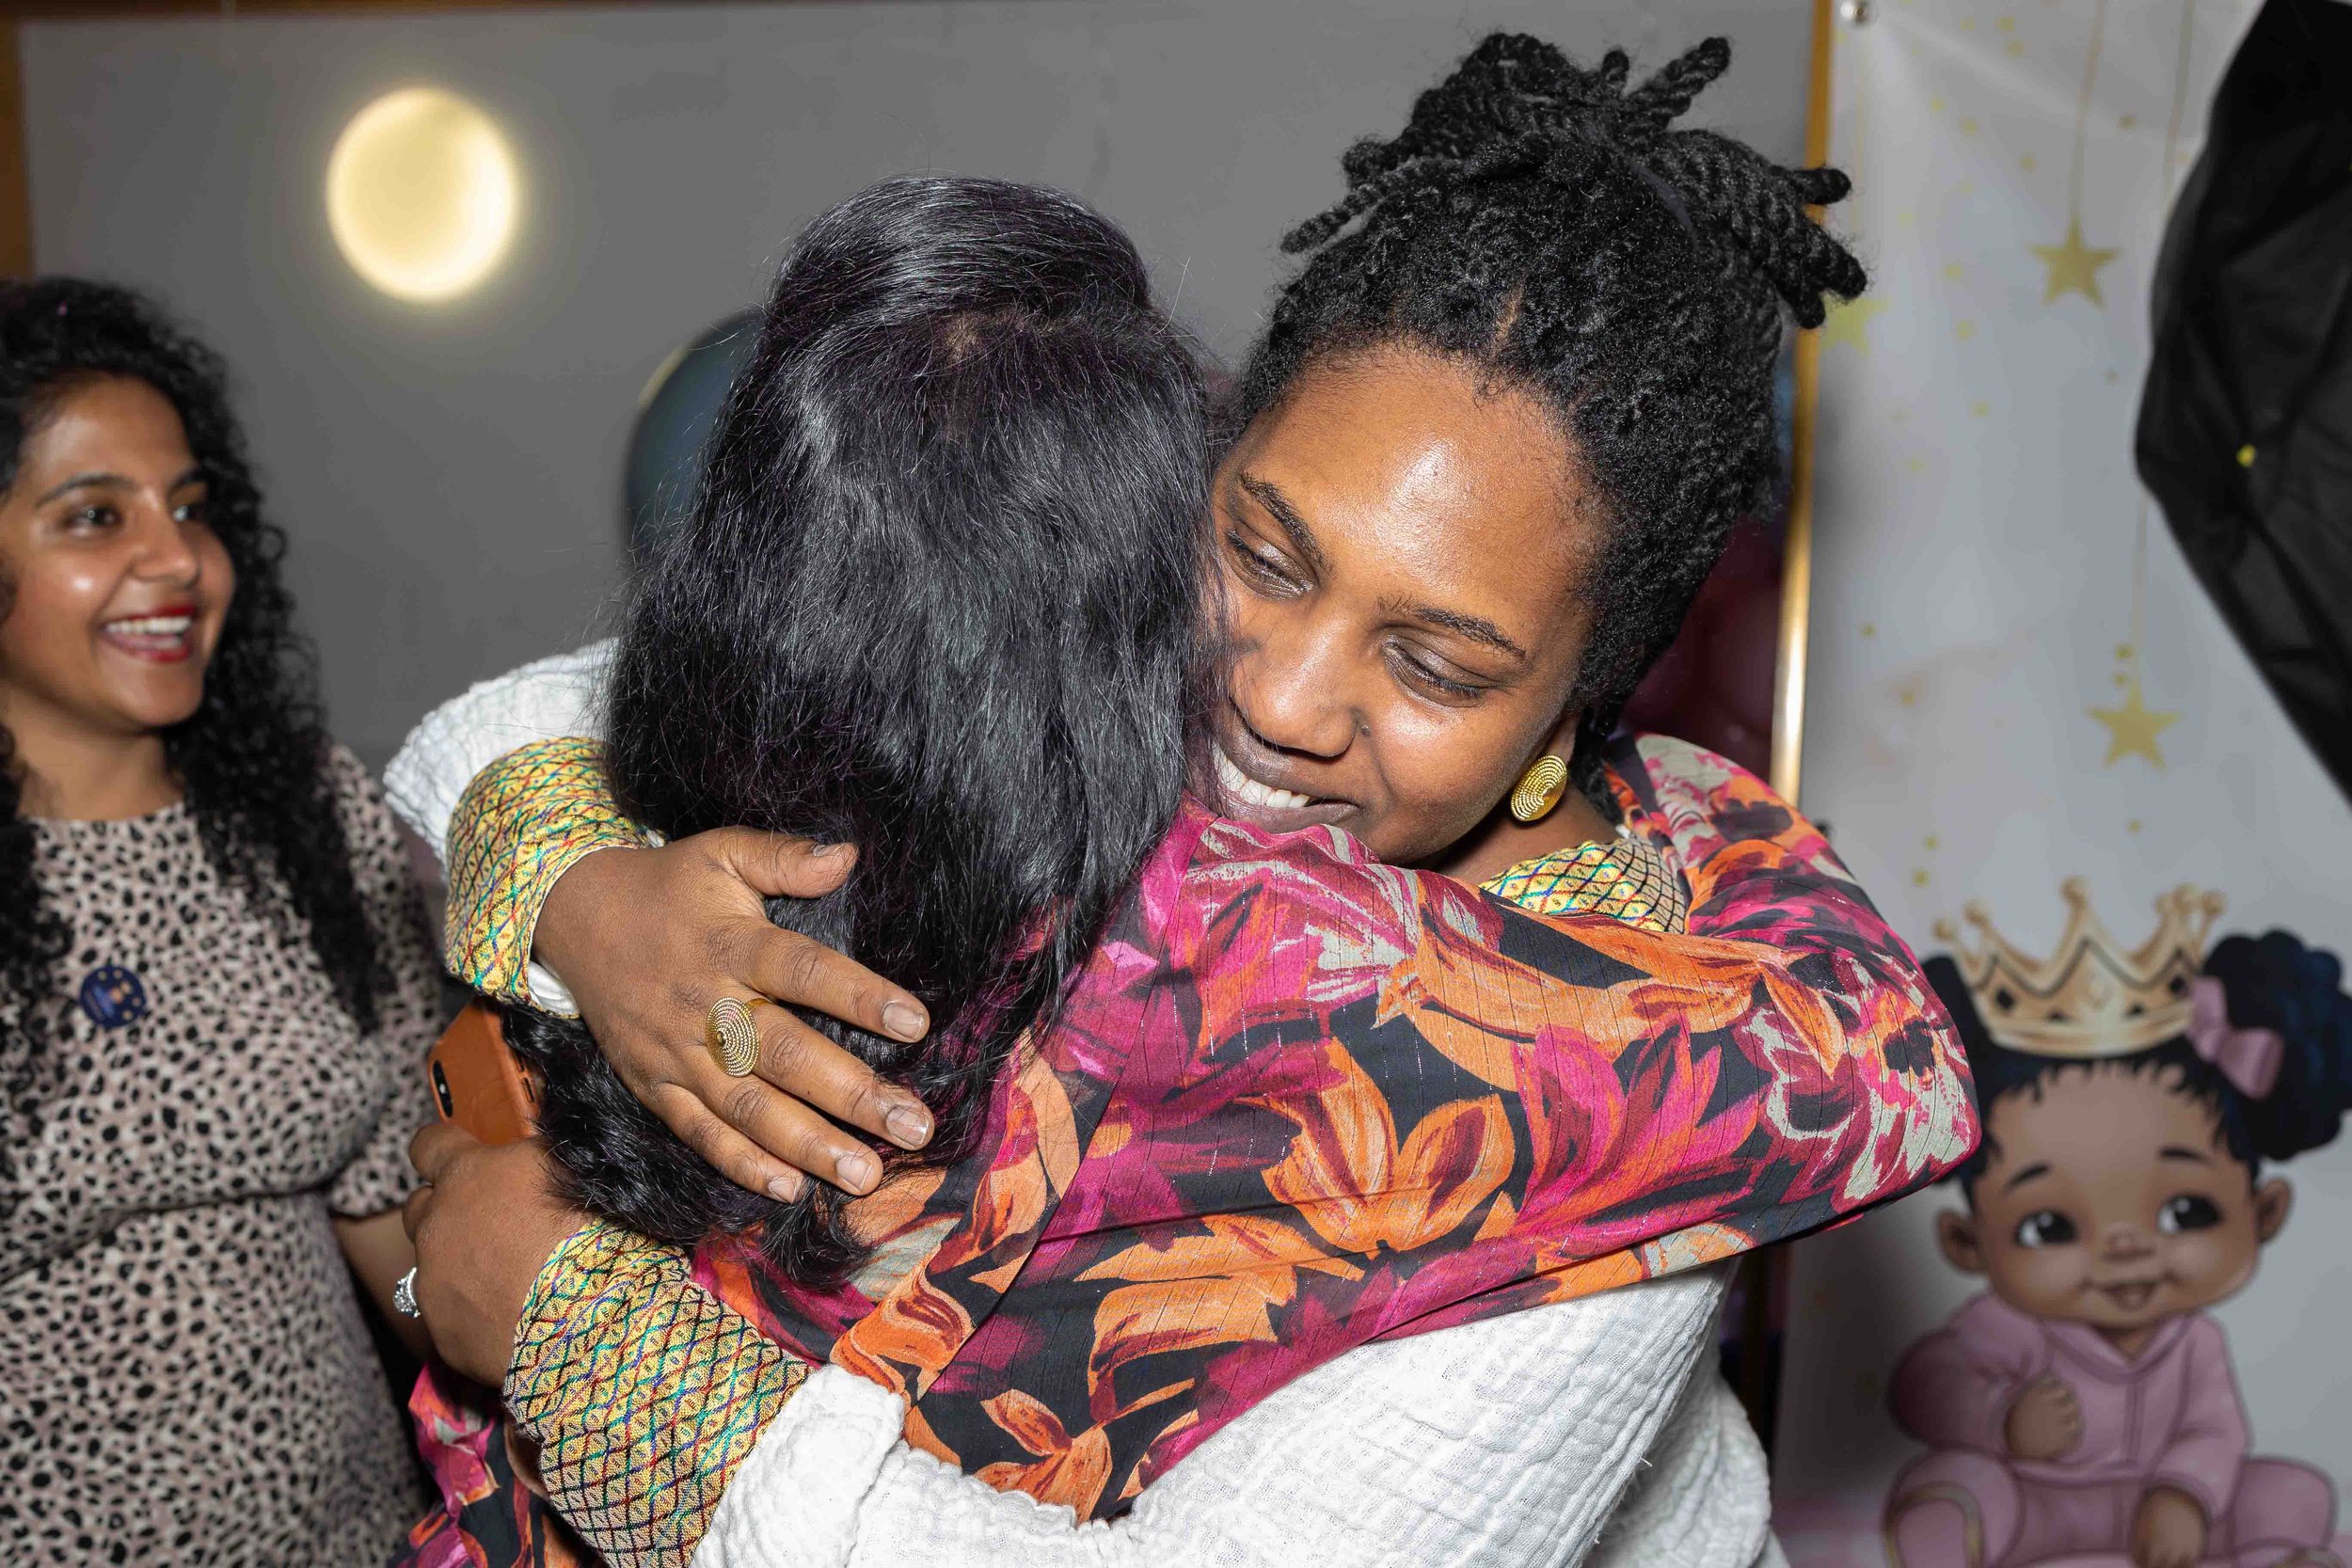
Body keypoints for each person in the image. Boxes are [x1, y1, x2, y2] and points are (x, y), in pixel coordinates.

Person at [398, 38, 1974, 1567]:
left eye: (1434, 664)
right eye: (1268, 557)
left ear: (1583, 694)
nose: (1282, 700)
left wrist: (571, 1328)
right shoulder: (1092, 632)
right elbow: (510, 718)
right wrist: (594, 902)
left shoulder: (1633, 1103)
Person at [0, 278, 444, 1564]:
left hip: (362, 1537)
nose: (178, 560)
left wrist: (532, 1324)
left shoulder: (310, 817)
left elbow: (404, 1225)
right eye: (95, 516)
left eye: (191, 508)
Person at [1886, 884, 2346, 1568]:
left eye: (2185, 1212)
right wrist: (2000, 1417)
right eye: (2049, 1226)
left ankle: (2278, 1553)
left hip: (2159, 1523)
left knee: (2290, 1489)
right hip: (2031, 1502)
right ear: (1966, 1241)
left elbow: (2214, 1434)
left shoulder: (2196, 1345)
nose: (2125, 1247)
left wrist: (2183, 1494)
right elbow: (1924, 1381)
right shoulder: (2007, 1325)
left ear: (2265, 1212)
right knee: (1957, 1485)